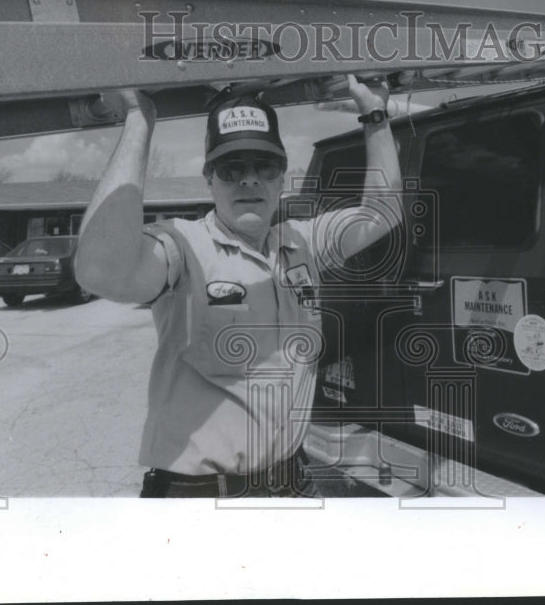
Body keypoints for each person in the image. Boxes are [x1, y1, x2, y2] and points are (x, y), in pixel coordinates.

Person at [74, 76, 401, 497]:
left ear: (282, 178)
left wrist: (375, 115)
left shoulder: (304, 242)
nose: (249, 180)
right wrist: (140, 120)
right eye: (232, 168)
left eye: (264, 166)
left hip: (293, 483)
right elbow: (102, 270)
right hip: (203, 497)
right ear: (209, 179)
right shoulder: (183, 246)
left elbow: (382, 213)